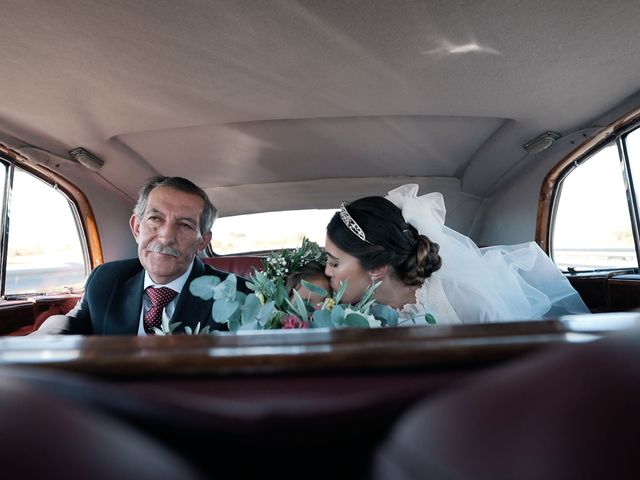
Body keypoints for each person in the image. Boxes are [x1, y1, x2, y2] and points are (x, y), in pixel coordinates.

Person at [325, 184, 590, 325]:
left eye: (335, 263)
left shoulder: (461, 298)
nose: (327, 271)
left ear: (377, 266)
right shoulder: (348, 315)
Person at [33, 176, 248, 335]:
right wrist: (43, 338)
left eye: (184, 225)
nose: (166, 237)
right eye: (155, 219)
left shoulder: (241, 297)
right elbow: (73, 322)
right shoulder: (106, 279)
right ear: (136, 227)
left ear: (202, 242)